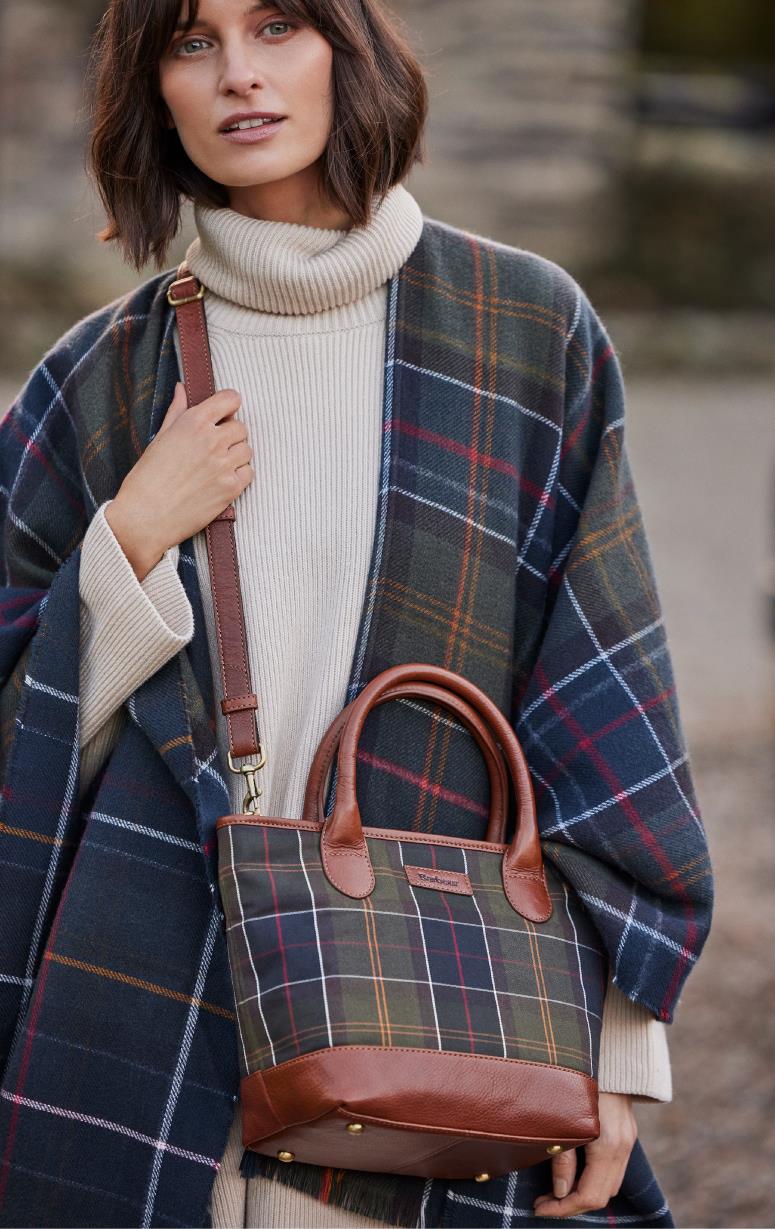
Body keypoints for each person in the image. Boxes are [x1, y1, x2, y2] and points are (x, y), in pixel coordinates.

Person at [0, 1, 713, 1227]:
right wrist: (125, 544)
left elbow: (605, 698)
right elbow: (19, 711)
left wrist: (617, 1051)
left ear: (350, 48)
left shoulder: (525, 333)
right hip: (142, 1007)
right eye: (189, 41)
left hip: (439, 1013)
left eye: (277, 25)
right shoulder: (100, 374)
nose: (238, 75)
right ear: (149, 88)